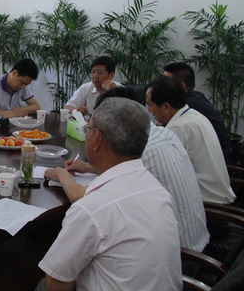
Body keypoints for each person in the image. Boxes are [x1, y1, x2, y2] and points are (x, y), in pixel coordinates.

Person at [37, 97, 181, 291]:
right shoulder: (158, 191)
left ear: (97, 138)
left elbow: (56, 284)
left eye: (87, 129)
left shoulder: (91, 209)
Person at [51, 87, 209, 252]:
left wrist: (62, 175)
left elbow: (87, 199)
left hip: (177, 252)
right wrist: (90, 168)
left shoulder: (138, 151)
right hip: (194, 239)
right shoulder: (164, 134)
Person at [146, 76, 235, 204]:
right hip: (220, 194)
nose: (149, 110)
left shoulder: (177, 127)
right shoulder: (194, 115)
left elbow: (163, 171)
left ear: (165, 106)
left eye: (150, 105)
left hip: (208, 203)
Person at [163, 62, 231, 163]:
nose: (161, 87)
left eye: (165, 84)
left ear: (181, 86)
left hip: (214, 161)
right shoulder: (196, 97)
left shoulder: (188, 105)